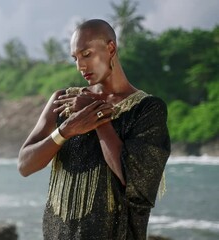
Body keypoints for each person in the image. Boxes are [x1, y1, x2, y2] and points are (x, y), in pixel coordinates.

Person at [18, 19, 170, 239]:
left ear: (111, 48)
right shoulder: (63, 101)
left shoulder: (147, 109)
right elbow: (25, 164)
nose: (80, 66)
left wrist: (96, 116)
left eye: (86, 54)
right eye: (75, 58)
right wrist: (66, 131)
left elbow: (136, 183)